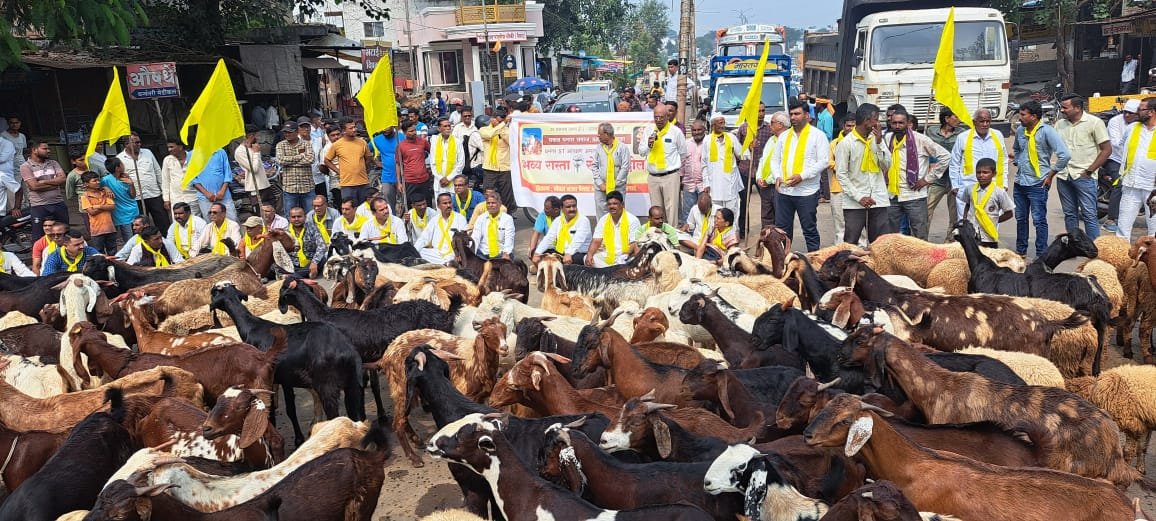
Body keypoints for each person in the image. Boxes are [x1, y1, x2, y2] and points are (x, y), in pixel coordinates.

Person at [878, 109, 949, 241]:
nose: (897, 126)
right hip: (892, 194)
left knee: (919, 234)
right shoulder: (887, 138)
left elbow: (945, 156)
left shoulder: (920, 140)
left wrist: (927, 179)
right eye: (894, 123)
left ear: (908, 124)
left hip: (915, 194)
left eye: (901, 123)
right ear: (890, 123)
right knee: (890, 235)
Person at [1011, 100, 1071, 256]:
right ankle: (1021, 251)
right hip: (1020, 182)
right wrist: (1019, 161)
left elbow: (1064, 155)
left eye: (1023, 115)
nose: (1020, 118)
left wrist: (1051, 174)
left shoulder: (1047, 131)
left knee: (1038, 220)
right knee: (1020, 218)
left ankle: (1041, 254)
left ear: (1034, 116)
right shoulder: (1020, 131)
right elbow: (1017, 149)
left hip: (1038, 183)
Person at [769, 101, 830, 251]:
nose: (793, 117)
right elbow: (775, 159)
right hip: (784, 191)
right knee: (782, 230)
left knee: (809, 229)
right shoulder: (784, 136)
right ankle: (782, 262)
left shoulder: (817, 136)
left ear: (807, 115)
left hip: (806, 192)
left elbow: (824, 161)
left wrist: (802, 176)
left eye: (797, 114)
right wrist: (777, 176)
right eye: (791, 114)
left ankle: (814, 263)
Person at [1056, 94, 1110, 239]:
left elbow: (1106, 150)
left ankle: (1094, 250)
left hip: (1084, 177)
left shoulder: (1094, 123)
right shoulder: (1060, 124)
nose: (1062, 110)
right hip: (1063, 176)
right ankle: (1074, 246)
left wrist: (1089, 171)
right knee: (1069, 214)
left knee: (1089, 215)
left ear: (1078, 108)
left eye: (1065, 107)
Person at [835, 103, 890, 244]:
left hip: (878, 199)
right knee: (851, 242)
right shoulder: (846, 143)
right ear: (867, 120)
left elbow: (886, 165)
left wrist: (878, 144)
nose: (878, 123)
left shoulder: (876, 140)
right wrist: (859, 197)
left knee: (879, 243)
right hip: (854, 202)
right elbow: (841, 174)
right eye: (876, 119)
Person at [949, 108, 1008, 218]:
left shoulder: (998, 135)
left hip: (993, 187)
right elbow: (954, 163)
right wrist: (955, 185)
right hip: (968, 187)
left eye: (988, 121)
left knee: (991, 222)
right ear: (974, 122)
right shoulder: (963, 137)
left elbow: (1003, 160)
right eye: (981, 121)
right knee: (967, 225)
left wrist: (1004, 183)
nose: (985, 124)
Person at [640, 105, 688, 228]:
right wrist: (649, 145)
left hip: (670, 176)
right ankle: (658, 239)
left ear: (667, 117)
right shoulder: (648, 130)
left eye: (661, 117)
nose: (659, 119)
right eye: (656, 117)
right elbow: (641, 152)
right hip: (653, 176)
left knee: (671, 210)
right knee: (656, 211)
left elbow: (683, 153)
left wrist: (675, 169)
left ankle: (671, 238)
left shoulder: (675, 132)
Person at [1115, 97, 1156, 241]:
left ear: (1151, 112)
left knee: (1154, 230)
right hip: (1130, 184)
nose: (1136, 112)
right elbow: (1121, 148)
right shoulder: (1132, 128)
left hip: (1153, 188)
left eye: (1140, 109)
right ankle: (1120, 259)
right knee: (1123, 227)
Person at [927, 107, 967, 237]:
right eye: (955, 116)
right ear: (946, 119)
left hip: (954, 180)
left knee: (954, 213)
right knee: (926, 210)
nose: (959, 120)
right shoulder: (931, 131)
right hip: (936, 178)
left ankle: (950, 240)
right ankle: (922, 238)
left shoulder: (962, 134)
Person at [1103, 99, 1142, 233]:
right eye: (1125, 112)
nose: (1127, 115)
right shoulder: (1115, 122)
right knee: (1120, 183)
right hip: (1116, 159)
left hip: (1137, 162)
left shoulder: (1144, 124)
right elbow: (1117, 144)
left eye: (1130, 113)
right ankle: (1111, 219)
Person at [734, 102, 773, 235]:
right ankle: (743, 230)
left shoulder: (769, 129)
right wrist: (748, 148)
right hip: (745, 170)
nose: (761, 114)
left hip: (763, 173)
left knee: (768, 204)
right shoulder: (744, 128)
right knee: (743, 203)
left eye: (763, 111)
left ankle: (767, 232)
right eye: (758, 111)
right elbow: (736, 148)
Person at [118, 133, 169, 232]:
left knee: (163, 223)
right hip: (136, 198)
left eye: (140, 142)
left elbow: (158, 172)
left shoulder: (148, 152)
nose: (139, 144)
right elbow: (120, 179)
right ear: (126, 144)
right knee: (141, 227)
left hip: (154, 194)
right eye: (136, 142)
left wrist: (164, 193)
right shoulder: (119, 158)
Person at [19, 139, 68, 240]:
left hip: (58, 203)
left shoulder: (53, 163)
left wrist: (44, 182)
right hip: (39, 206)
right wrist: (55, 184)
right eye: (45, 148)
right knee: (39, 236)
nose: (48, 150)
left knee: (64, 233)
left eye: (48, 148)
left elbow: (63, 179)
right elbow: (34, 187)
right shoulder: (25, 166)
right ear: (34, 150)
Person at [701, 114, 744, 218]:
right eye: (720, 123)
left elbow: (743, 154)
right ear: (713, 125)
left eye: (724, 122)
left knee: (732, 213)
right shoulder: (707, 140)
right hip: (714, 185)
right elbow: (704, 164)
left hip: (730, 184)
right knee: (716, 215)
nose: (723, 125)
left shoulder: (731, 138)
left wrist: (749, 147)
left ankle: (733, 233)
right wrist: (706, 183)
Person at [966, 158, 1014, 248]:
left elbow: (1009, 213)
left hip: (988, 236)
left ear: (994, 174)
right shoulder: (970, 189)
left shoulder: (999, 192)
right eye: (978, 172)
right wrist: (966, 220)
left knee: (990, 258)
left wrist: (993, 221)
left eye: (985, 172)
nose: (981, 175)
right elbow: (968, 204)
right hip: (972, 234)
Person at [325, 118, 375, 204]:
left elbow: (369, 157)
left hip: (363, 182)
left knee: (365, 210)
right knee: (350, 210)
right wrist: (338, 172)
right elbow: (327, 160)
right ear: (343, 131)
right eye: (351, 128)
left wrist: (363, 168)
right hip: (347, 184)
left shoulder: (362, 142)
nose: (354, 129)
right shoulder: (337, 145)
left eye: (354, 127)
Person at [585, 190, 640, 267]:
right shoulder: (603, 219)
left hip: (624, 256)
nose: (612, 206)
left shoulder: (633, 220)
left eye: (615, 204)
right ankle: (611, 273)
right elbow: (596, 241)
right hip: (608, 255)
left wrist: (625, 255)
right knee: (588, 258)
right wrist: (589, 254)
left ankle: (607, 273)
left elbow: (634, 244)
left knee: (631, 262)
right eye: (609, 204)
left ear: (622, 205)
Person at [532, 194, 591, 265]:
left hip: (578, 253)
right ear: (562, 208)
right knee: (541, 254)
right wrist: (537, 253)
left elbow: (578, 240)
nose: (572, 209)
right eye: (568, 207)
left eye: (574, 206)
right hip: (561, 252)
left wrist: (569, 253)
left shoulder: (583, 220)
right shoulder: (558, 220)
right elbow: (549, 238)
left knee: (573, 259)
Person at [825, 116, 858, 244]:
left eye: (853, 126)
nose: (851, 129)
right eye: (848, 126)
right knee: (840, 225)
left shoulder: (860, 142)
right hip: (838, 188)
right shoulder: (834, 144)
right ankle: (840, 254)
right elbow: (828, 162)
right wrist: (843, 167)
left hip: (857, 189)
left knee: (858, 226)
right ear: (843, 126)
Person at [479, 107, 517, 216]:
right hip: (490, 169)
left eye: (500, 120)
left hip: (505, 168)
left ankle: (507, 217)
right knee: (489, 194)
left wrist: (503, 128)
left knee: (507, 196)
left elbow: (512, 142)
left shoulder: (506, 130)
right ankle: (490, 216)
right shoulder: (484, 129)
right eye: (497, 119)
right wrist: (502, 124)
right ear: (492, 119)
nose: (498, 122)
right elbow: (489, 135)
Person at [276, 121, 316, 218]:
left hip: (307, 186)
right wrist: (300, 156)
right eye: (285, 132)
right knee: (290, 216)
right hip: (290, 187)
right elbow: (281, 160)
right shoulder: (281, 145)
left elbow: (310, 159)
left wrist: (289, 162)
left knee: (311, 216)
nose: (287, 134)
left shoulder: (306, 144)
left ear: (297, 131)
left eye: (289, 132)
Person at [592, 123, 631, 220]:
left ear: (606, 134)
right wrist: (600, 183)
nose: (598, 136)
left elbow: (625, 167)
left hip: (617, 187)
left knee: (618, 213)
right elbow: (594, 166)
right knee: (601, 214)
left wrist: (614, 184)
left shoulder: (622, 147)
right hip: (601, 188)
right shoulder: (599, 148)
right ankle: (602, 233)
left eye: (599, 134)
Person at [416, 192, 468, 265]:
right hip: (437, 253)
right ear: (438, 206)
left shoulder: (460, 218)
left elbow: (463, 238)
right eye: (445, 203)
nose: (448, 205)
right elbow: (424, 238)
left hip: (453, 253)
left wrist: (459, 253)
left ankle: (447, 263)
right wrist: (414, 251)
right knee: (421, 251)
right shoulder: (434, 220)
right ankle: (446, 264)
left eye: (450, 202)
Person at [190, 148, 236, 222]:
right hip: (205, 198)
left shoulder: (220, 152)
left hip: (224, 195)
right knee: (211, 224)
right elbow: (192, 178)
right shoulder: (192, 155)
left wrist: (222, 191)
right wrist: (206, 193)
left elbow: (227, 173)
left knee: (232, 220)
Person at [397, 119, 433, 209]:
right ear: (405, 132)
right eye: (411, 131)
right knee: (411, 206)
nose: (414, 133)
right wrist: (399, 182)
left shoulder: (423, 142)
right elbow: (398, 164)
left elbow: (433, 153)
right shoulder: (400, 146)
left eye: (415, 130)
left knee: (427, 205)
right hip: (409, 181)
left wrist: (432, 168)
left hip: (424, 180)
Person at [79, 170, 117, 254]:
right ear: (86, 184)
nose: (98, 182)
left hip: (110, 228)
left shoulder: (105, 192)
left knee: (113, 252)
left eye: (98, 180)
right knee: (99, 253)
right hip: (97, 230)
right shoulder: (85, 196)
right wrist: (105, 206)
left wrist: (98, 206)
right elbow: (91, 212)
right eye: (94, 181)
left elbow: (112, 206)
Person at [161, 140, 201, 218]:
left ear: (180, 147)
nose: (169, 150)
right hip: (176, 198)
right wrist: (166, 199)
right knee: (178, 223)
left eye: (172, 147)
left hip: (193, 197)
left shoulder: (193, 158)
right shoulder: (167, 160)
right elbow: (165, 180)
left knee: (195, 222)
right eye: (168, 147)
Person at [285, 206, 327, 278]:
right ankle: (297, 276)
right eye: (293, 217)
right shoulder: (285, 232)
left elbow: (322, 246)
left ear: (305, 217)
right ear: (289, 218)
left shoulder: (312, 228)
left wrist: (314, 262)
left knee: (322, 259)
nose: (296, 219)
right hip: (293, 265)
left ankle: (293, 277)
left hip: (310, 263)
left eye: (299, 216)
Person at [471, 192, 514, 260]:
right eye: (488, 203)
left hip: (501, 255)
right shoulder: (481, 218)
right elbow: (476, 237)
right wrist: (472, 252)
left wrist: (506, 253)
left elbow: (509, 238)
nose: (490, 205)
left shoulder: (507, 219)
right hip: (483, 255)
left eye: (493, 203)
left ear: (499, 204)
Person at [681, 119, 709, 223]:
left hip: (704, 186)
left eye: (699, 130)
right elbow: (682, 163)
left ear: (704, 130)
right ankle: (688, 237)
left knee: (705, 212)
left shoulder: (709, 143)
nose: (696, 132)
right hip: (689, 184)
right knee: (688, 214)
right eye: (694, 130)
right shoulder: (686, 143)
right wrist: (680, 179)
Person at [429, 117, 464, 197]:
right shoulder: (435, 141)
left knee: (453, 206)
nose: (448, 128)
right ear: (439, 128)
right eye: (445, 126)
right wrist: (441, 178)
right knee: (440, 206)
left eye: (449, 126)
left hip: (454, 181)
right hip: (439, 182)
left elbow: (461, 163)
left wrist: (448, 178)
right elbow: (432, 163)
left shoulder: (457, 142)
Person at [371, 125, 402, 211]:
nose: (384, 129)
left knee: (405, 200)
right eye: (383, 128)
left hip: (403, 175)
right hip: (387, 175)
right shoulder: (377, 139)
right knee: (388, 198)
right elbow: (366, 150)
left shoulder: (401, 137)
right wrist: (375, 162)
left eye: (387, 127)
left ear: (392, 127)